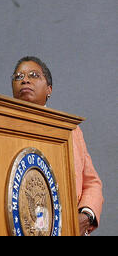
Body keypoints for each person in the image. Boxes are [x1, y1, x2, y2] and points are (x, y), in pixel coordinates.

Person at [11, 56, 103, 236]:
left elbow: (92, 183)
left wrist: (86, 215)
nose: (25, 80)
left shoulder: (71, 130)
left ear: (49, 89)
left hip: (68, 228)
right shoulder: (2, 127)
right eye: (18, 76)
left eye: (33, 75)